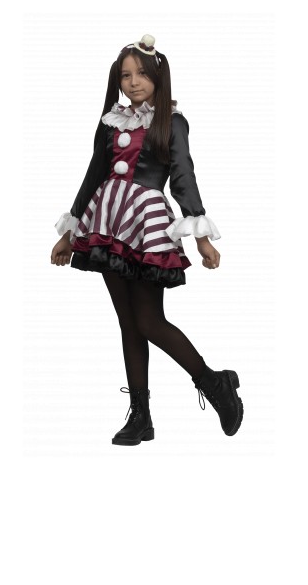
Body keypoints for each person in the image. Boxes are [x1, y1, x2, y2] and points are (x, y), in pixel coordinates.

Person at [50, 34, 243, 446]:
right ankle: (141, 416)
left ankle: (215, 383)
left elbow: (183, 175)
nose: (133, 82)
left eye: (140, 73)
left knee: (149, 320)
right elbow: (94, 174)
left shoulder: (171, 121)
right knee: (128, 322)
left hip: (145, 223)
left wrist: (201, 237)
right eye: (125, 76)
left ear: (158, 75)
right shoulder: (111, 121)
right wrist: (70, 232)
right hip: (107, 220)